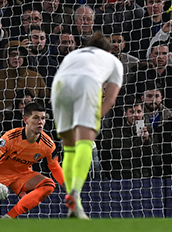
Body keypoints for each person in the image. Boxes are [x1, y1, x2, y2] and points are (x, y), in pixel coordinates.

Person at [51, 32, 123, 219]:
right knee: (85, 142)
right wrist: (95, 118)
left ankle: (73, 204)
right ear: (107, 50)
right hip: (87, 83)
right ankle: (75, 192)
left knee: (68, 148)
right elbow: (111, 98)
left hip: (58, 87)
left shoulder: (73, 54)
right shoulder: (112, 61)